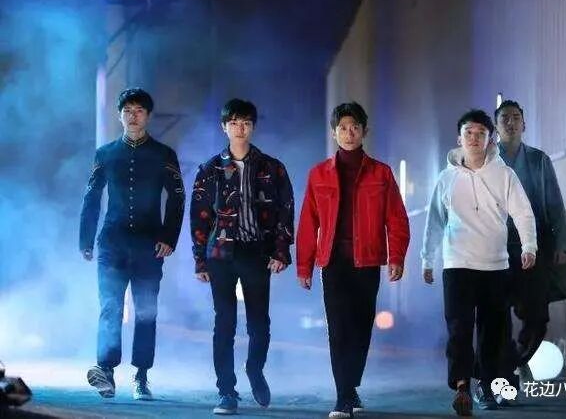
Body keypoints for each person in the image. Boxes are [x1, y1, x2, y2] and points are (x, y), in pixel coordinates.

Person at [297, 102, 410, 418]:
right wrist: (304, 266)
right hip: (333, 263)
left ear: (364, 131)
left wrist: (396, 256)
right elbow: (308, 222)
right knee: (339, 329)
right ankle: (343, 396)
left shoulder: (381, 173)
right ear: (334, 133)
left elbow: (397, 218)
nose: (349, 133)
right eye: (343, 128)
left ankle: (350, 386)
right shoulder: (318, 174)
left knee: (361, 329)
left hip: (367, 262)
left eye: (355, 128)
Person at [421, 109, 536, 415]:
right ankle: (462, 386)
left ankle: (487, 385)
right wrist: (427, 258)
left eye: (481, 134)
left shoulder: (504, 175)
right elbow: (435, 221)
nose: (474, 139)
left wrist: (529, 245)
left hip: (494, 265)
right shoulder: (446, 178)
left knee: (493, 331)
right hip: (456, 264)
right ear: (459, 138)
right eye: (468, 133)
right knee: (458, 328)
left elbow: (523, 212)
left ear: (490, 139)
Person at [79, 87, 185, 400]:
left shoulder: (164, 154)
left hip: (149, 245)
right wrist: (86, 240)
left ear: (148, 116)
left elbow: (177, 198)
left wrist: (168, 237)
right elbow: (91, 197)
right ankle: (106, 370)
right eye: (127, 111)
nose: (133, 116)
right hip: (112, 242)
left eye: (139, 111)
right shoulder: (106, 154)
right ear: (119, 115)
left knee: (146, 311)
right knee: (110, 307)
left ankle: (141, 376)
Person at [190, 98, 294, 415]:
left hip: (255, 251)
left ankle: (255, 370)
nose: (240, 128)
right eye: (234, 123)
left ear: (253, 127)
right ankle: (226, 391)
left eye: (246, 123)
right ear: (224, 127)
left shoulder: (272, 167)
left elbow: (285, 210)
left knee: (259, 322)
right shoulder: (210, 169)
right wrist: (200, 259)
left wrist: (280, 250)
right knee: (224, 323)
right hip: (220, 253)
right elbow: (199, 216)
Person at [495, 100, 566, 395]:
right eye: (504, 118)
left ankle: (516, 360)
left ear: (524, 124)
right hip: (497, 246)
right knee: (497, 312)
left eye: (516, 118)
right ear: (496, 127)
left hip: (535, 245)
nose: (511, 122)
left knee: (537, 315)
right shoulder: (488, 160)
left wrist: (561, 243)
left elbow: (555, 203)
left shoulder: (539, 160)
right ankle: (503, 373)